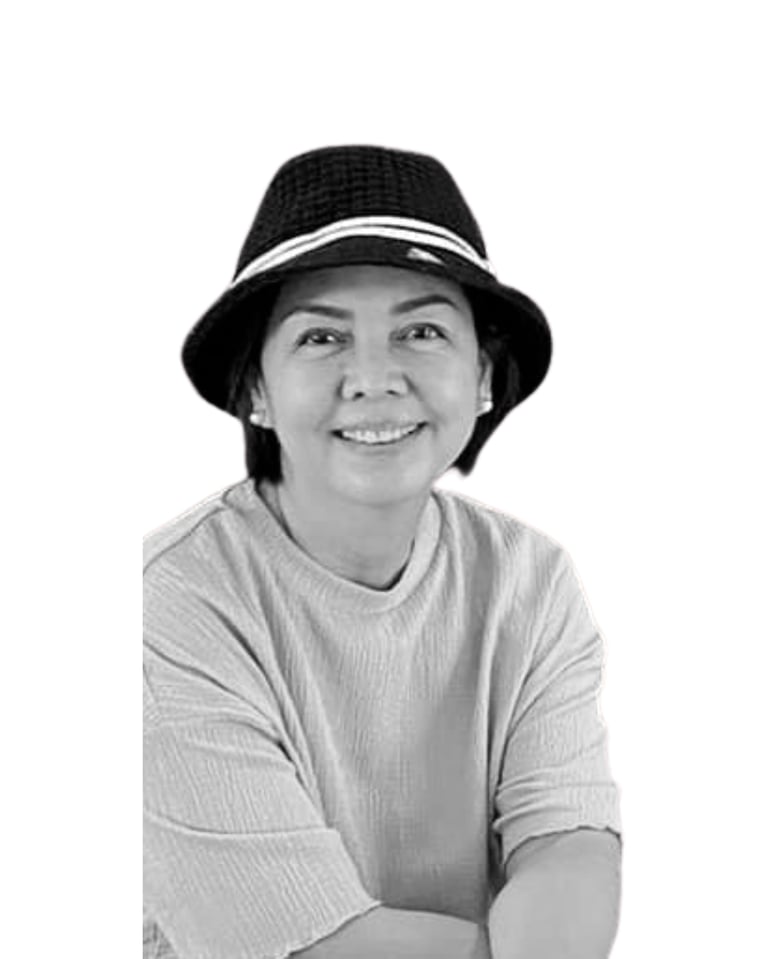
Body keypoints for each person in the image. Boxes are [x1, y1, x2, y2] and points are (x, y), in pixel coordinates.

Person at [143, 145, 623, 959]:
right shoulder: (168, 604)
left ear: (483, 376)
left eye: (422, 330)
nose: (373, 376)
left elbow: (568, 845)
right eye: (322, 336)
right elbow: (312, 943)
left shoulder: (529, 580)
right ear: (255, 389)